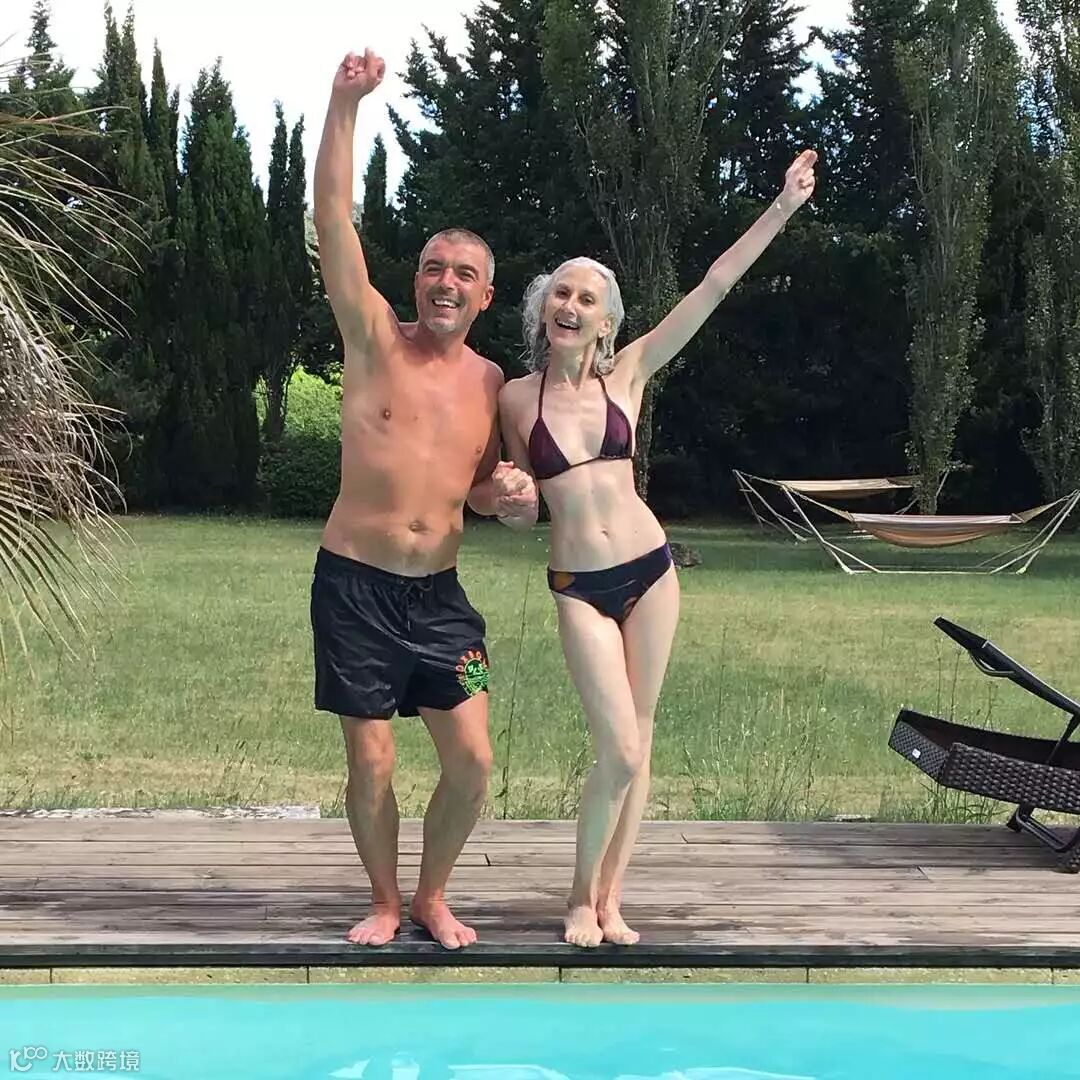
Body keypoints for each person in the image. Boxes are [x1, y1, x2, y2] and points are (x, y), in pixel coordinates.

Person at [497, 150, 818, 946]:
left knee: (639, 740)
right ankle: (578, 898)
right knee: (618, 743)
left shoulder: (629, 374)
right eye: (561, 293)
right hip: (578, 584)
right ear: (543, 311)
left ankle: (611, 899)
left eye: (587, 297)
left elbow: (713, 286)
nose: (571, 305)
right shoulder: (514, 399)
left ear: (607, 320)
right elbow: (518, 513)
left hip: (651, 572)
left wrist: (781, 208)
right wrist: (513, 502)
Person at [311, 49, 538, 950]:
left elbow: (481, 494)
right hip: (354, 591)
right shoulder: (374, 340)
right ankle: (383, 900)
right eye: (433, 267)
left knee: (474, 760)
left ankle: (433, 896)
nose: (445, 281)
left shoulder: (493, 384)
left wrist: (508, 496)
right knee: (371, 761)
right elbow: (333, 217)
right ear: (416, 281)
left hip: (442, 604)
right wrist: (344, 105)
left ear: (486, 294)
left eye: (463, 273)